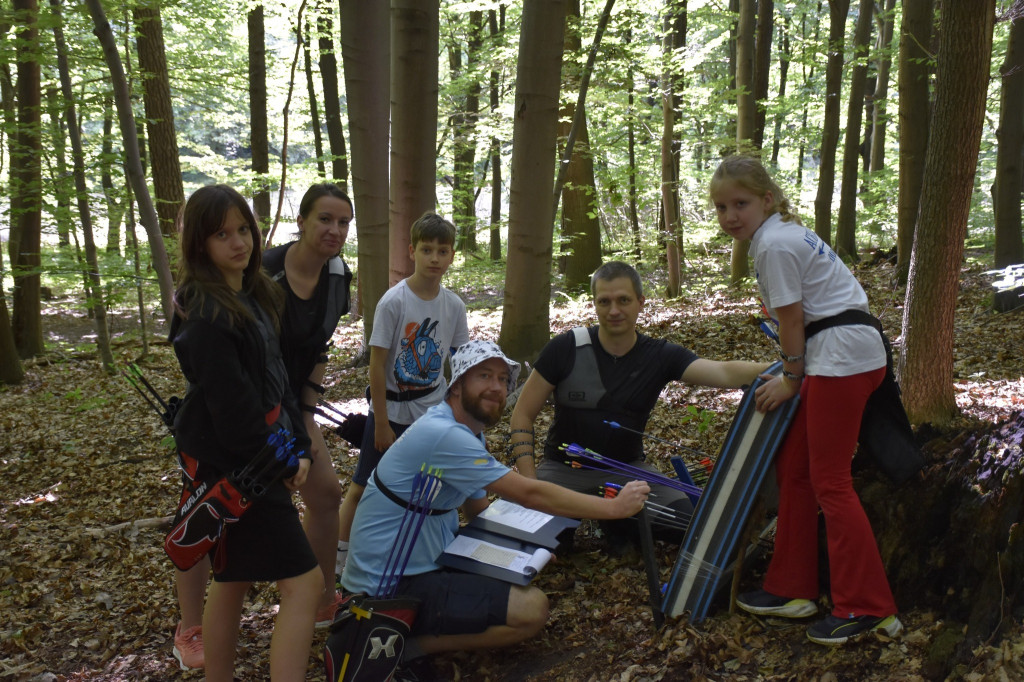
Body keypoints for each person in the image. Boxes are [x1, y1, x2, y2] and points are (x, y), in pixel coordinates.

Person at [340, 340, 650, 670]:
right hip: (386, 588)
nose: (496, 387)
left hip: (427, 563)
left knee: (519, 576)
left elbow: (477, 512)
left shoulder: (469, 433)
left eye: (503, 380)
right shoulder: (444, 434)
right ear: (457, 385)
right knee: (531, 610)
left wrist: (526, 548)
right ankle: (409, 646)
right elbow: (531, 494)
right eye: (484, 376)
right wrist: (613, 509)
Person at [709, 155, 902, 645]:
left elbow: (792, 321)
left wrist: (792, 379)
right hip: (836, 353)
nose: (731, 215)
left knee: (831, 482)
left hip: (841, 357)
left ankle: (869, 608)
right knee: (794, 468)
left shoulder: (774, 243)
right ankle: (792, 588)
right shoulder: (779, 235)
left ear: (767, 200)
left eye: (741, 203)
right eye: (721, 207)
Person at [169, 184, 322, 680]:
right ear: (199, 244)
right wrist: (280, 465)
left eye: (242, 230)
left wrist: (297, 447)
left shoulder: (252, 294)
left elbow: (275, 384)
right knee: (305, 584)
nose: (238, 242)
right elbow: (234, 415)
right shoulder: (207, 315)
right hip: (239, 470)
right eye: (221, 234)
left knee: (231, 580)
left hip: (258, 459)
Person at [509, 260, 770, 545]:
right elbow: (522, 415)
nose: (614, 310)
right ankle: (604, 522)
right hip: (563, 470)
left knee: (692, 530)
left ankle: (620, 523)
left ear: (640, 302)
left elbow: (723, 371)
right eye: (604, 301)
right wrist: (530, 485)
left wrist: (791, 368)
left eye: (623, 300)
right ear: (595, 305)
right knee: (535, 541)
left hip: (628, 472)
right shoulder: (565, 348)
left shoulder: (658, 355)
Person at [335, 212, 469, 575]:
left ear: (452, 255)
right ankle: (342, 560)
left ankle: (431, 553)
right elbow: (377, 365)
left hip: (433, 410)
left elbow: (459, 362)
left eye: (443, 251)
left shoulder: (454, 306)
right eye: (427, 250)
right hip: (391, 411)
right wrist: (380, 423)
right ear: (412, 251)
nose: (435, 258)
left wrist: (460, 414)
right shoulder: (394, 302)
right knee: (364, 486)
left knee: (433, 485)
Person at [263, 183, 353, 626]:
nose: (334, 230)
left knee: (326, 494)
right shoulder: (263, 273)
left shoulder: (337, 276)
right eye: (325, 219)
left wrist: (307, 411)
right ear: (301, 221)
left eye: (343, 222)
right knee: (251, 511)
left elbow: (320, 347)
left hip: (296, 405)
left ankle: (321, 600)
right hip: (256, 404)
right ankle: (196, 625)